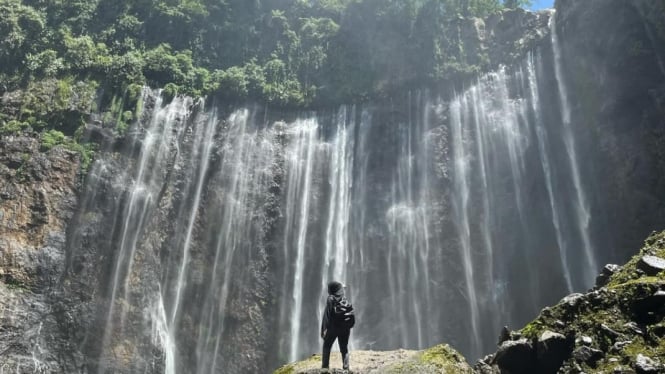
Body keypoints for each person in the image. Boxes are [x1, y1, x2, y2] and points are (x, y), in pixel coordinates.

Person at [321, 281, 354, 371]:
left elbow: (327, 315)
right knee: (344, 348)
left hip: (333, 328)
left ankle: (325, 367)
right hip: (345, 328)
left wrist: (324, 329)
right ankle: (346, 368)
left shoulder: (330, 298)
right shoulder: (344, 298)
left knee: (327, 345)